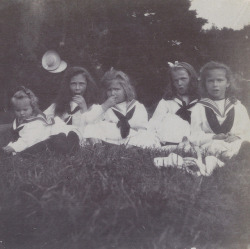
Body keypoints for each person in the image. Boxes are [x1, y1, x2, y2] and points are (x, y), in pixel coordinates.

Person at [190, 61, 250, 160]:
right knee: (214, 147)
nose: (215, 84)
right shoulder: (199, 108)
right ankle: (231, 155)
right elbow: (194, 136)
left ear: (228, 83)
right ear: (205, 84)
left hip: (234, 142)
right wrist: (213, 137)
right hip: (211, 143)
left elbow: (248, 131)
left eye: (220, 80)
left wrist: (238, 137)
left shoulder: (237, 106)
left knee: (240, 144)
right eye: (210, 81)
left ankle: (237, 152)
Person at [83, 68, 151, 146]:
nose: (112, 93)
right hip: (110, 136)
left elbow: (142, 126)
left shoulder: (136, 106)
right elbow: (88, 119)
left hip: (130, 136)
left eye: (116, 89)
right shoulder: (105, 107)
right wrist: (104, 106)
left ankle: (131, 147)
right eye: (109, 90)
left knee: (146, 135)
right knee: (91, 127)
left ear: (126, 90)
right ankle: (98, 147)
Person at [2, 87, 79, 156]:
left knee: (59, 145)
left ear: (32, 107)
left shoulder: (35, 123)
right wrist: (10, 145)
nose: (22, 113)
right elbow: (17, 136)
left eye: (25, 109)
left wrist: (13, 147)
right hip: (48, 135)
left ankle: (72, 142)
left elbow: (27, 140)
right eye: (18, 110)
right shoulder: (20, 120)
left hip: (55, 133)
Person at [148, 61, 200, 146]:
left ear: (191, 78)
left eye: (183, 79)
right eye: (176, 80)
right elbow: (154, 124)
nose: (179, 83)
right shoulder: (167, 101)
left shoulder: (199, 100)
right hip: (170, 139)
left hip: (195, 138)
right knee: (172, 119)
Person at [44, 66, 99, 136]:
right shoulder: (58, 104)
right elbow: (41, 118)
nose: (77, 88)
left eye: (81, 84)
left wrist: (84, 109)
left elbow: (94, 130)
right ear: (67, 85)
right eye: (73, 84)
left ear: (87, 85)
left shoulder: (93, 106)